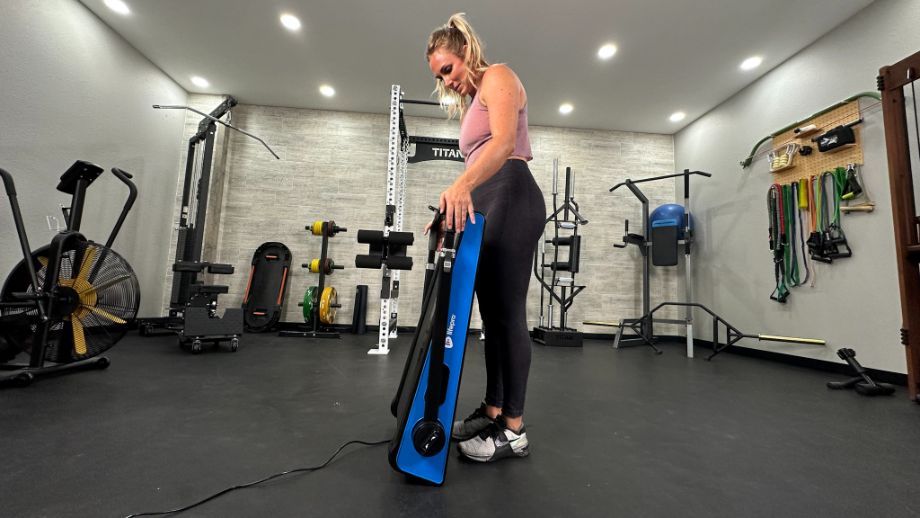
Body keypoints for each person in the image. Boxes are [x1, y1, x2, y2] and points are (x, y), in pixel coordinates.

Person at [425, 12, 546, 463]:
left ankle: (513, 429)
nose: (447, 81)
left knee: (508, 314)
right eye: (440, 76)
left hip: (514, 192)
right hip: (489, 200)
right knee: (490, 317)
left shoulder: (499, 75)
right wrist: (450, 206)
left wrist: (461, 187)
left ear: (466, 54)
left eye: (448, 70)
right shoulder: (475, 97)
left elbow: (501, 143)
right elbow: (477, 167)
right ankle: (493, 409)